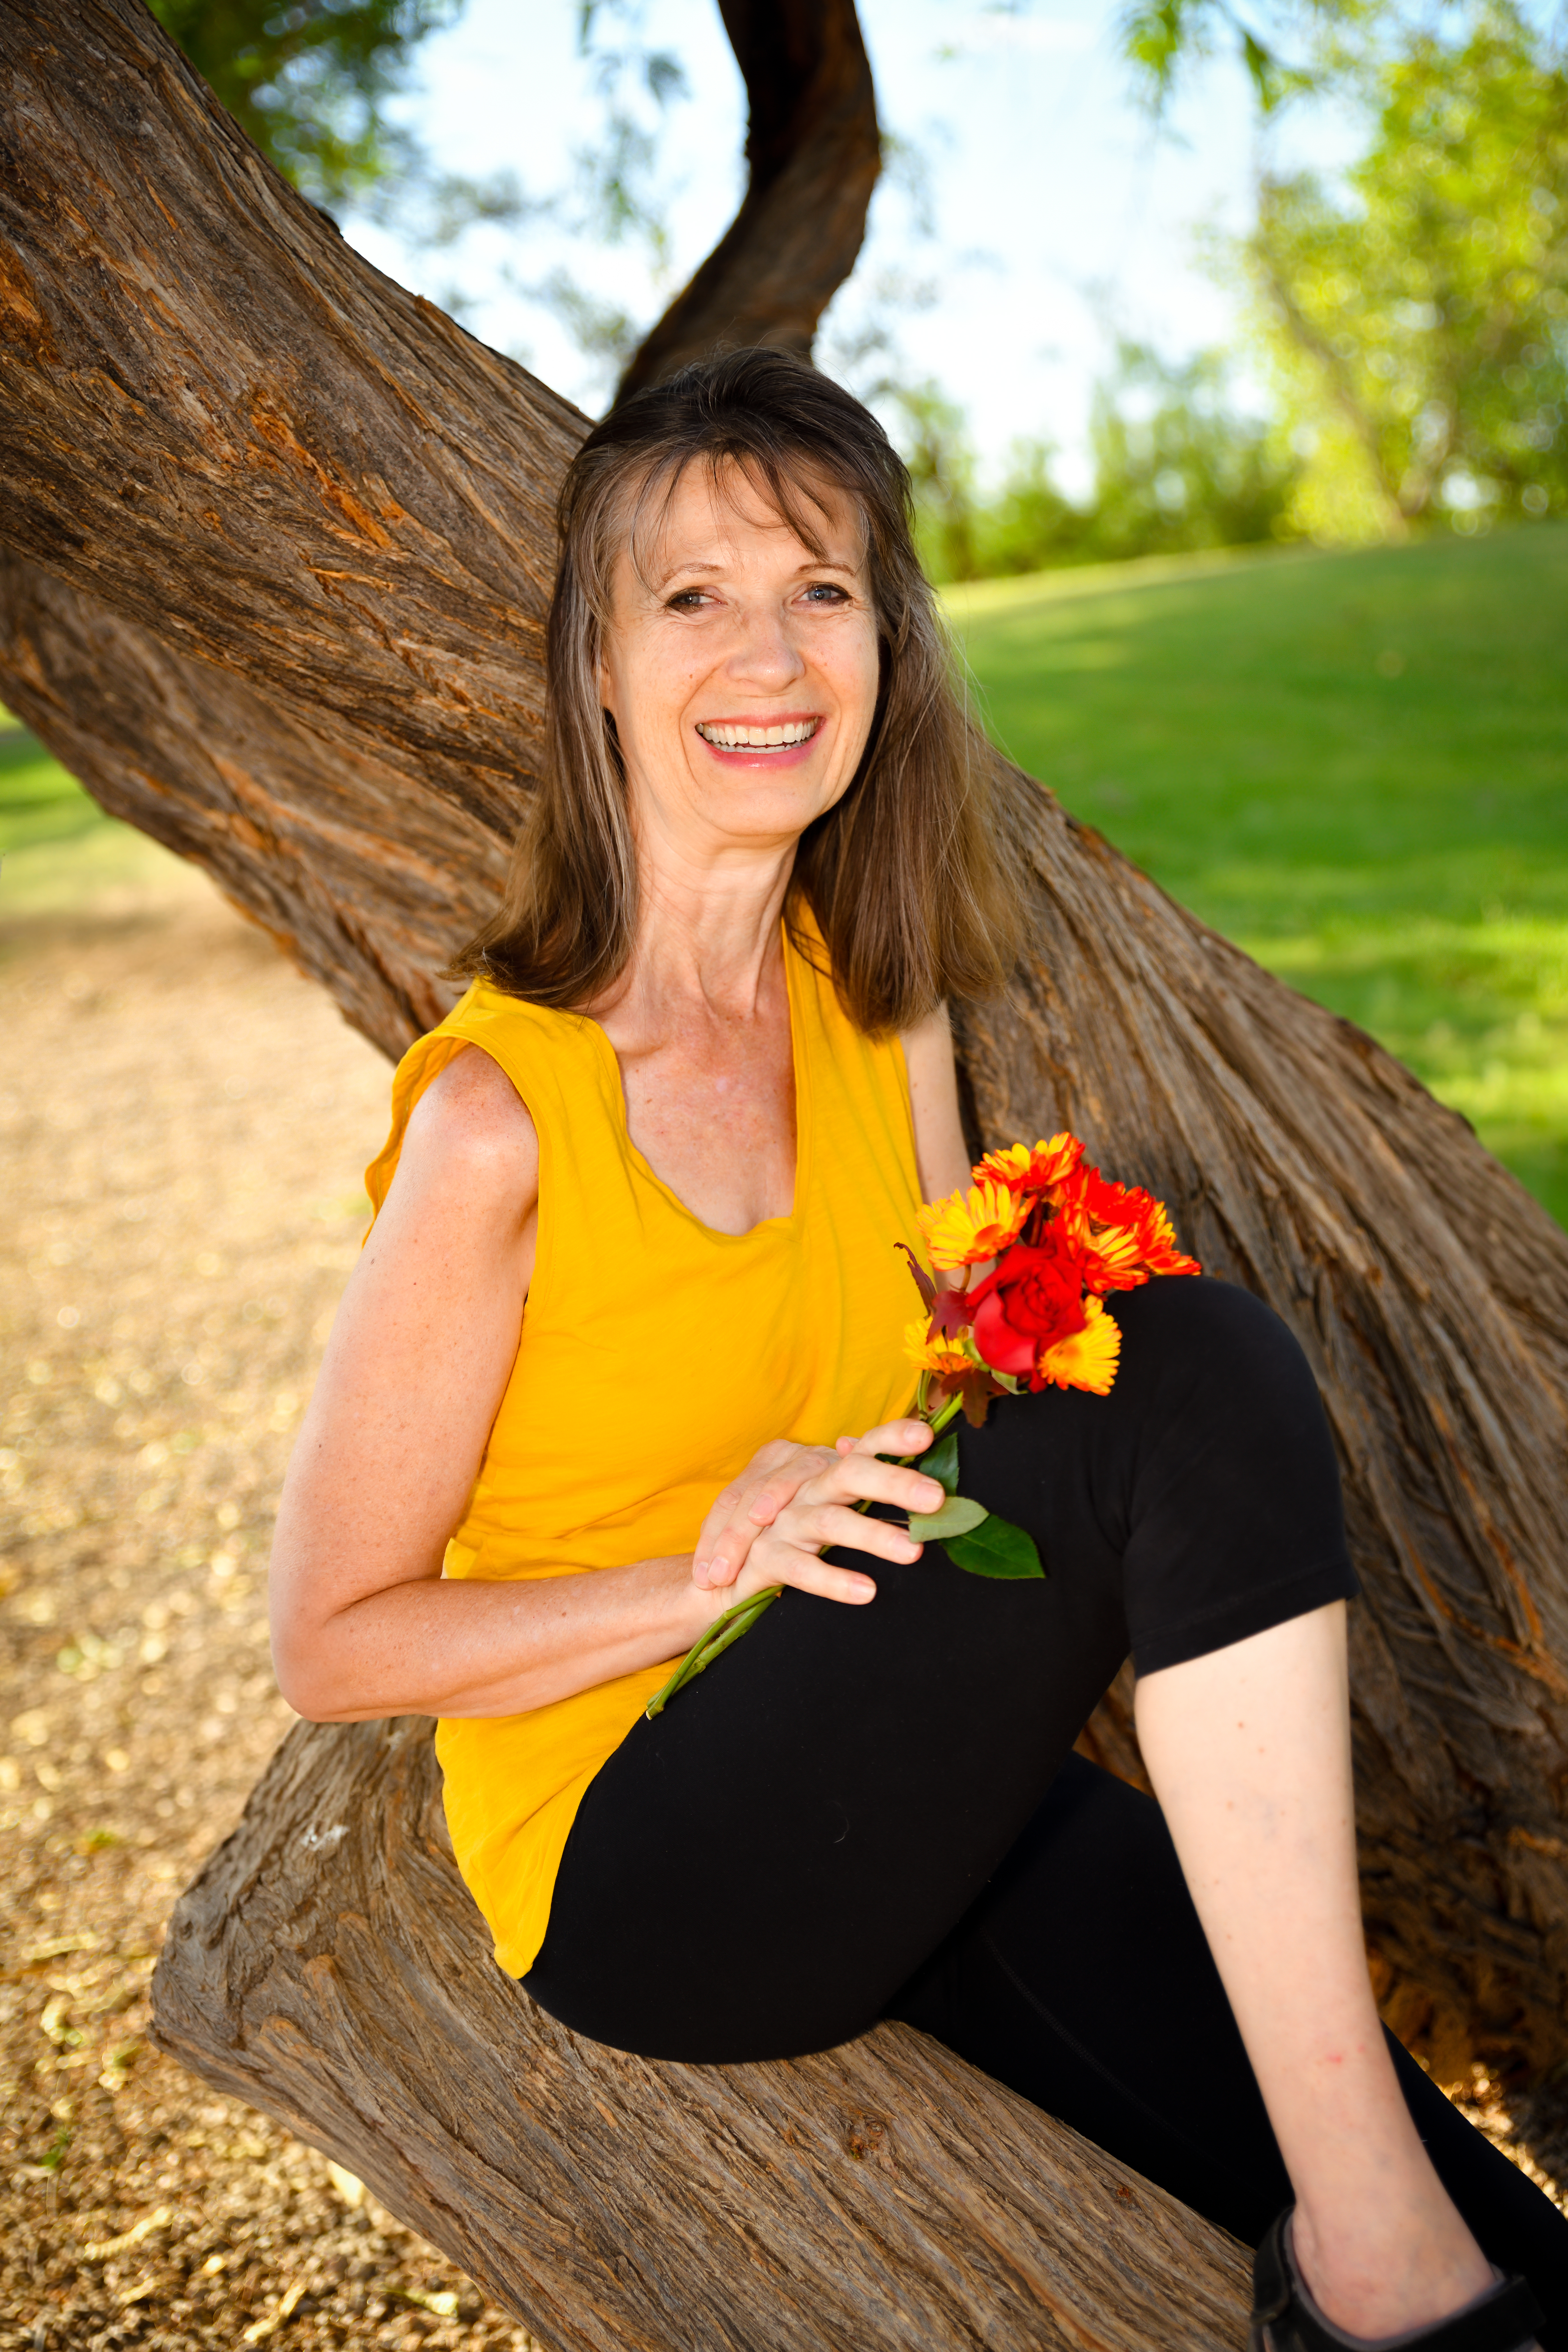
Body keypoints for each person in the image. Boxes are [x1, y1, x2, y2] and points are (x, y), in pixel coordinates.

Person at [269, 349, 1565, 2352]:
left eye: (824, 588)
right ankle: (1371, 2263)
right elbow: (335, 1643)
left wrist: (1038, 1340)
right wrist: (712, 1563)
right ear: (597, 667)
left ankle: (1393, 2247)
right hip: (648, 1856)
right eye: (692, 597)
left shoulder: (877, 1008)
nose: (770, 652)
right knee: (1190, 1362)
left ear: (888, 644)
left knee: (1498, 2247)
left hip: (892, 1742)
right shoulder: (500, 1121)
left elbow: (959, 1411)